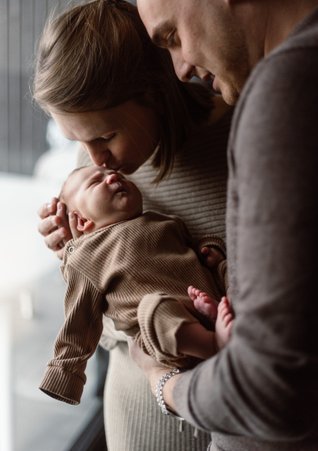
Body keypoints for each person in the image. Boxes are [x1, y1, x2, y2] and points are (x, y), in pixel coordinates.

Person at [34, 1, 233, 449]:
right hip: (136, 424)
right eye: (77, 141)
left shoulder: (242, 142)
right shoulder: (104, 179)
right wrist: (76, 260)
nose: (95, 160)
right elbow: (107, 326)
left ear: (157, 92)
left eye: (103, 137)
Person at [133, 0, 318, 449]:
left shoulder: (286, 87)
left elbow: (269, 387)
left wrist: (166, 387)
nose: (179, 69)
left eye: (173, 36)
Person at [39, 165, 233, 405]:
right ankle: (213, 344)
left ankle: (218, 319)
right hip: (161, 335)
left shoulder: (163, 222)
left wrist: (211, 251)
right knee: (152, 308)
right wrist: (65, 372)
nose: (112, 176)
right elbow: (79, 319)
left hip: (206, 299)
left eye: (116, 174)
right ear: (81, 220)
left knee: (233, 267)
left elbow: (192, 247)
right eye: (96, 181)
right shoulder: (87, 256)